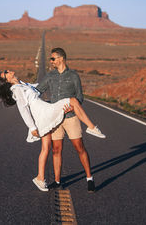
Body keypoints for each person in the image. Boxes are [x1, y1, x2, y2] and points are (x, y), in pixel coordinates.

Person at [0, 69, 105, 192]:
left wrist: (53, 79)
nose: (8, 71)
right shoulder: (17, 89)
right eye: (5, 72)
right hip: (43, 114)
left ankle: (40, 178)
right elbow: (23, 109)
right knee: (72, 101)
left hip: (43, 114)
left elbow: (40, 87)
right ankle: (92, 127)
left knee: (46, 148)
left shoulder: (22, 84)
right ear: (7, 80)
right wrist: (32, 127)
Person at [37, 47, 104, 193]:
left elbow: (79, 97)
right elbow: (37, 91)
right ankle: (57, 180)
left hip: (71, 117)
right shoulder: (50, 76)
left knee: (79, 147)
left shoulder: (73, 76)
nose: (51, 61)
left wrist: (73, 108)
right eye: (51, 58)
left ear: (61, 59)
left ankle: (89, 178)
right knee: (56, 150)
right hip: (55, 119)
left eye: (53, 58)